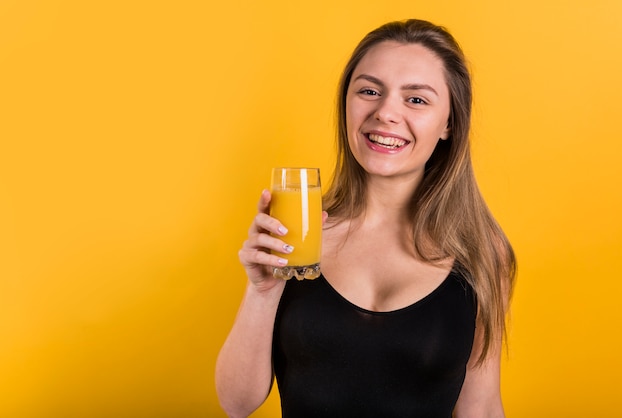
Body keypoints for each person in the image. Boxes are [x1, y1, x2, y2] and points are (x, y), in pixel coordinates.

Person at [216, 19, 516, 418]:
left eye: (416, 100)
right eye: (370, 91)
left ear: (449, 123)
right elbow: (237, 404)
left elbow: (480, 406)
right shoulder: (299, 233)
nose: (386, 113)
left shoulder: (483, 252)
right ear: (347, 104)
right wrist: (261, 291)